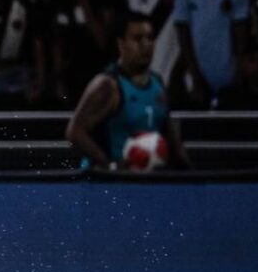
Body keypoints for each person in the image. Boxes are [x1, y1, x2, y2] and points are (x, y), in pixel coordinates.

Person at [65, 12, 190, 170]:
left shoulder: (158, 83)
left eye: (150, 38)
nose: (146, 45)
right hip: (109, 184)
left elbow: (171, 136)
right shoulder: (107, 85)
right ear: (121, 44)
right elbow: (74, 132)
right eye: (138, 39)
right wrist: (109, 165)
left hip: (147, 182)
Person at [173, 0, 249, 108]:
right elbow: (183, 33)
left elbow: (241, 29)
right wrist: (195, 74)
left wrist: (239, 69)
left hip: (229, 69)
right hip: (199, 69)